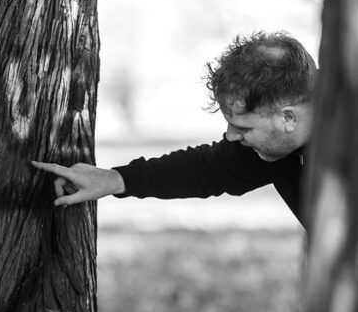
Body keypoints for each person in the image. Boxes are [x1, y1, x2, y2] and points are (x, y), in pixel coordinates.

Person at [33, 32, 316, 227]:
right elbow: (206, 169)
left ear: (288, 118)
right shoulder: (274, 146)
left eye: (243, 126)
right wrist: (116, 179)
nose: (231, 136)